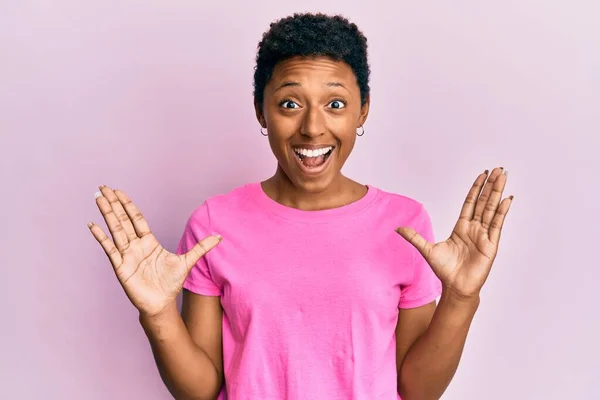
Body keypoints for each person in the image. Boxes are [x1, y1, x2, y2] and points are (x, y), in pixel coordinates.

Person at [88, 12, 513, 400]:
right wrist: (159, 313)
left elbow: (418, 390)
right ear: (261, 112)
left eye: (335, 104)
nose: (312, 128)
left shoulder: (405, 225)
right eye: (290, 104)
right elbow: (200, 391)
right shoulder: (214, 224)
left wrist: (460, 297)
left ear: (362, 111)